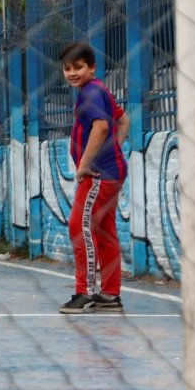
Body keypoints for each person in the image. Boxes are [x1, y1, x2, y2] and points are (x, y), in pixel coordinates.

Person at [58, 41, 129, 314]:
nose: (72, 73)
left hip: (98, 174)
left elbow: (101, 127)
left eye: (78, 67)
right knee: (103, 230)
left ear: (92, 68)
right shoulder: (99, 91)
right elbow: (124, 121)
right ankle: (110, 295)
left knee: (80, 227)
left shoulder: (91, 92)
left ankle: (84, 292)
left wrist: (85, 165)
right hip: (110, 170)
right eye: (67, 68)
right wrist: (115, 149)